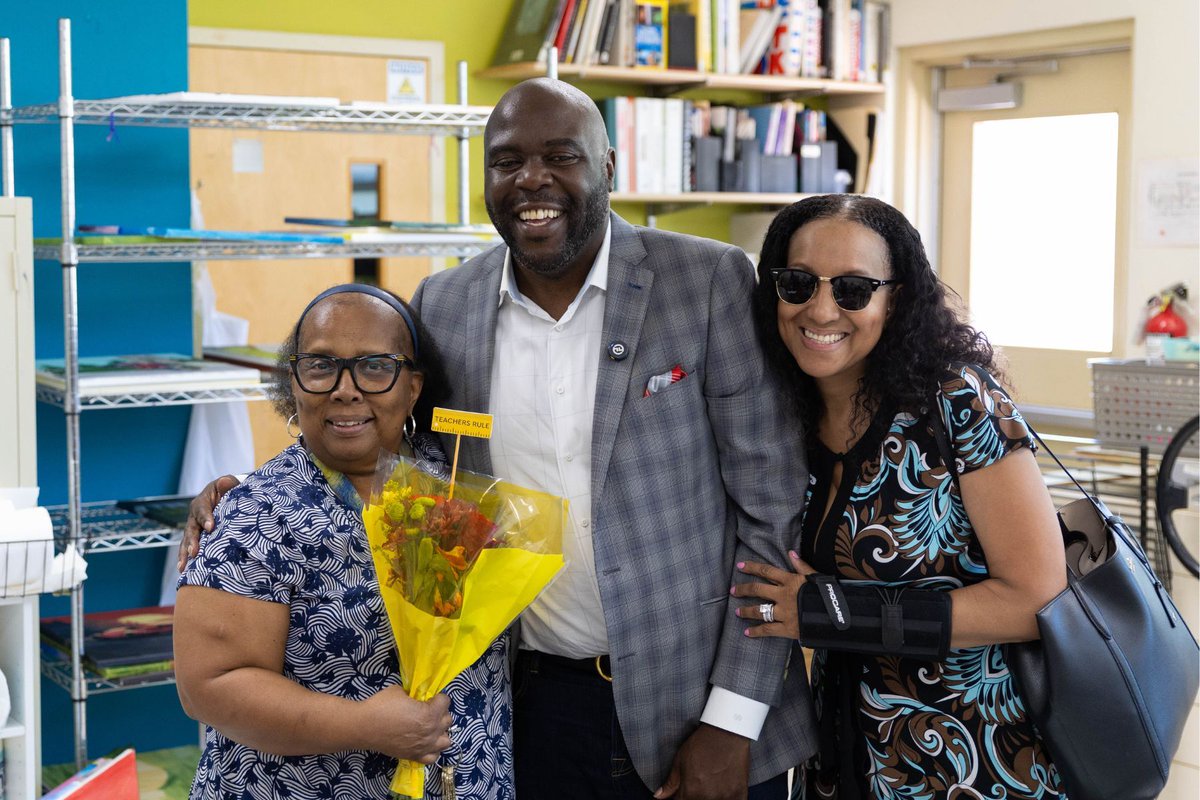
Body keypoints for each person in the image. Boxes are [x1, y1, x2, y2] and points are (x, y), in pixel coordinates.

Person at [182, 78, 816, 800]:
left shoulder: (705, 282)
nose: (531, 180)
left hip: (698, 709)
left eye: (560, 156)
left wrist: (732, 721)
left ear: (608, 166)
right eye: (507, 160)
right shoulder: (444, 307)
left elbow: (772, 510)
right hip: (533, 709)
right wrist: (237, 498)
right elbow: (384, 447)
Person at [732, 195, 1069, 798]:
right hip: (843, 760)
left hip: (979, 761)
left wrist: (833, 613)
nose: (822, 308)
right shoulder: (778, 412)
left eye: (855, 289)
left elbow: (1036, 598)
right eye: (798, 283)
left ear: (898, 299)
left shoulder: (957, 401)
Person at [175, 284, 514, 800]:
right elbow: (209, 686)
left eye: (376, 366)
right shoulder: (255, 515)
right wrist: (364, 725)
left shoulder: (457, 482)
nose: (345, 389)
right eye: (320, 366)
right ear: (295, 383)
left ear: (414, 387)